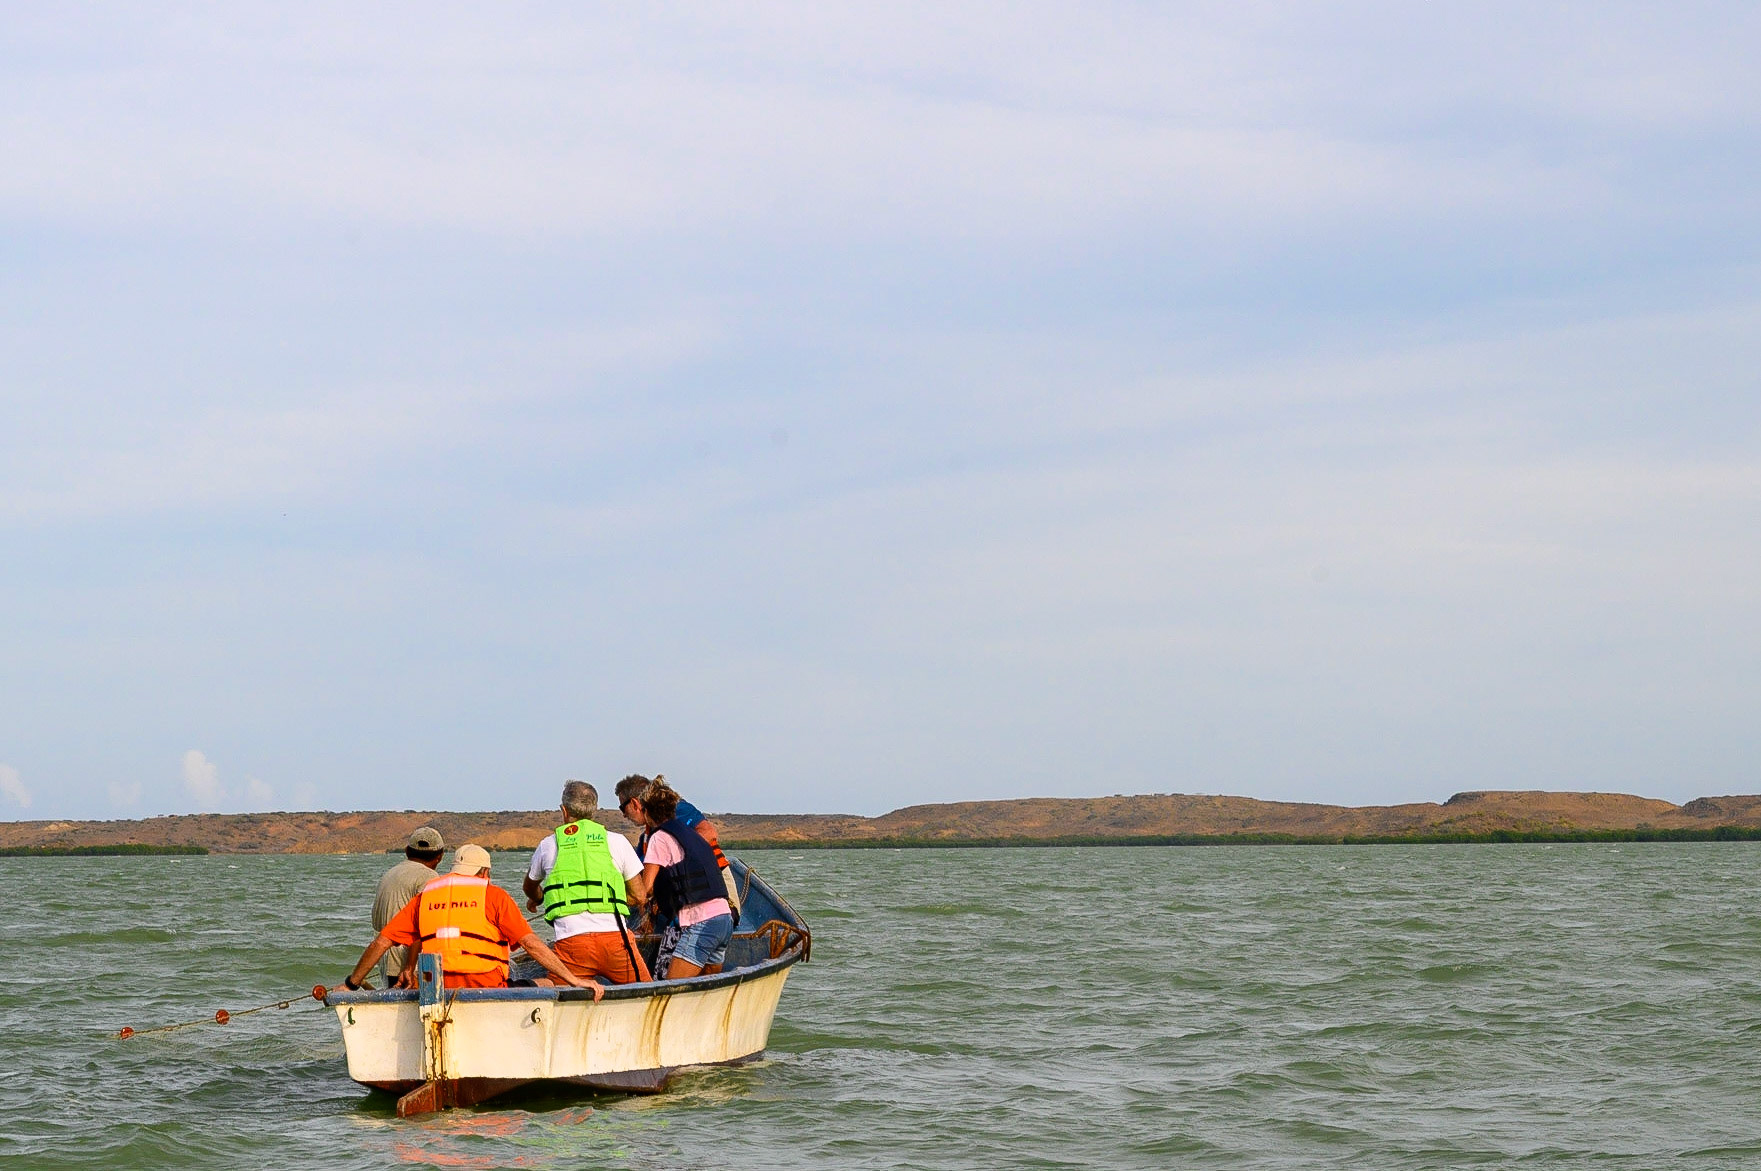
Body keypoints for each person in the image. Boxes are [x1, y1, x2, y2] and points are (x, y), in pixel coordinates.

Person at [339, 844, 601, 997]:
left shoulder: (426, 896)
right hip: (486, 987)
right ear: (485, 872)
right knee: (547, 982)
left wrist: (351, 985)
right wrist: (574, 979)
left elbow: (381, 942)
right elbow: (531, 944)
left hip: (435, 987)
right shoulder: (494, 896)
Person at [522, 779, 652, 984]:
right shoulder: (617, 841)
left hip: (571, 944)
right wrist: (608, 900)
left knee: (559, 996)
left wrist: (537, 899)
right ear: (594, 810)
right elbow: (640, 895)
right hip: (615, 941)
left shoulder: (548, 845)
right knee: (646, 992)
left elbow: (529, 886)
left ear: (564, 811)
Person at [626, 779, 735, 980]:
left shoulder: (659, 838)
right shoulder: (691, 833)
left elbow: (645, 890)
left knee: (672, 988)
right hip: (724, 919)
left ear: (647, 812)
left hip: (702, 923)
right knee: (708, 986)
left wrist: (620, 900)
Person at [615, 774, 741, 922]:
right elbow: (637, 874)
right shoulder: (646, 838)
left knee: (728, 917)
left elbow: (709, 832)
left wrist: (676, 862)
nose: (624, 815)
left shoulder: (675, 809)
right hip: (683, 894)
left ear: (635, 803)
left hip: (713, 882)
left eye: (623, 808)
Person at [370, 826, 447, 988]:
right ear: (440, 856)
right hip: (408, 964)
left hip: (386, 960)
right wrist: (410, 967)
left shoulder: (390, 873)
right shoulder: (429, 876)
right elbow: (421, 925)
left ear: (406, 851)